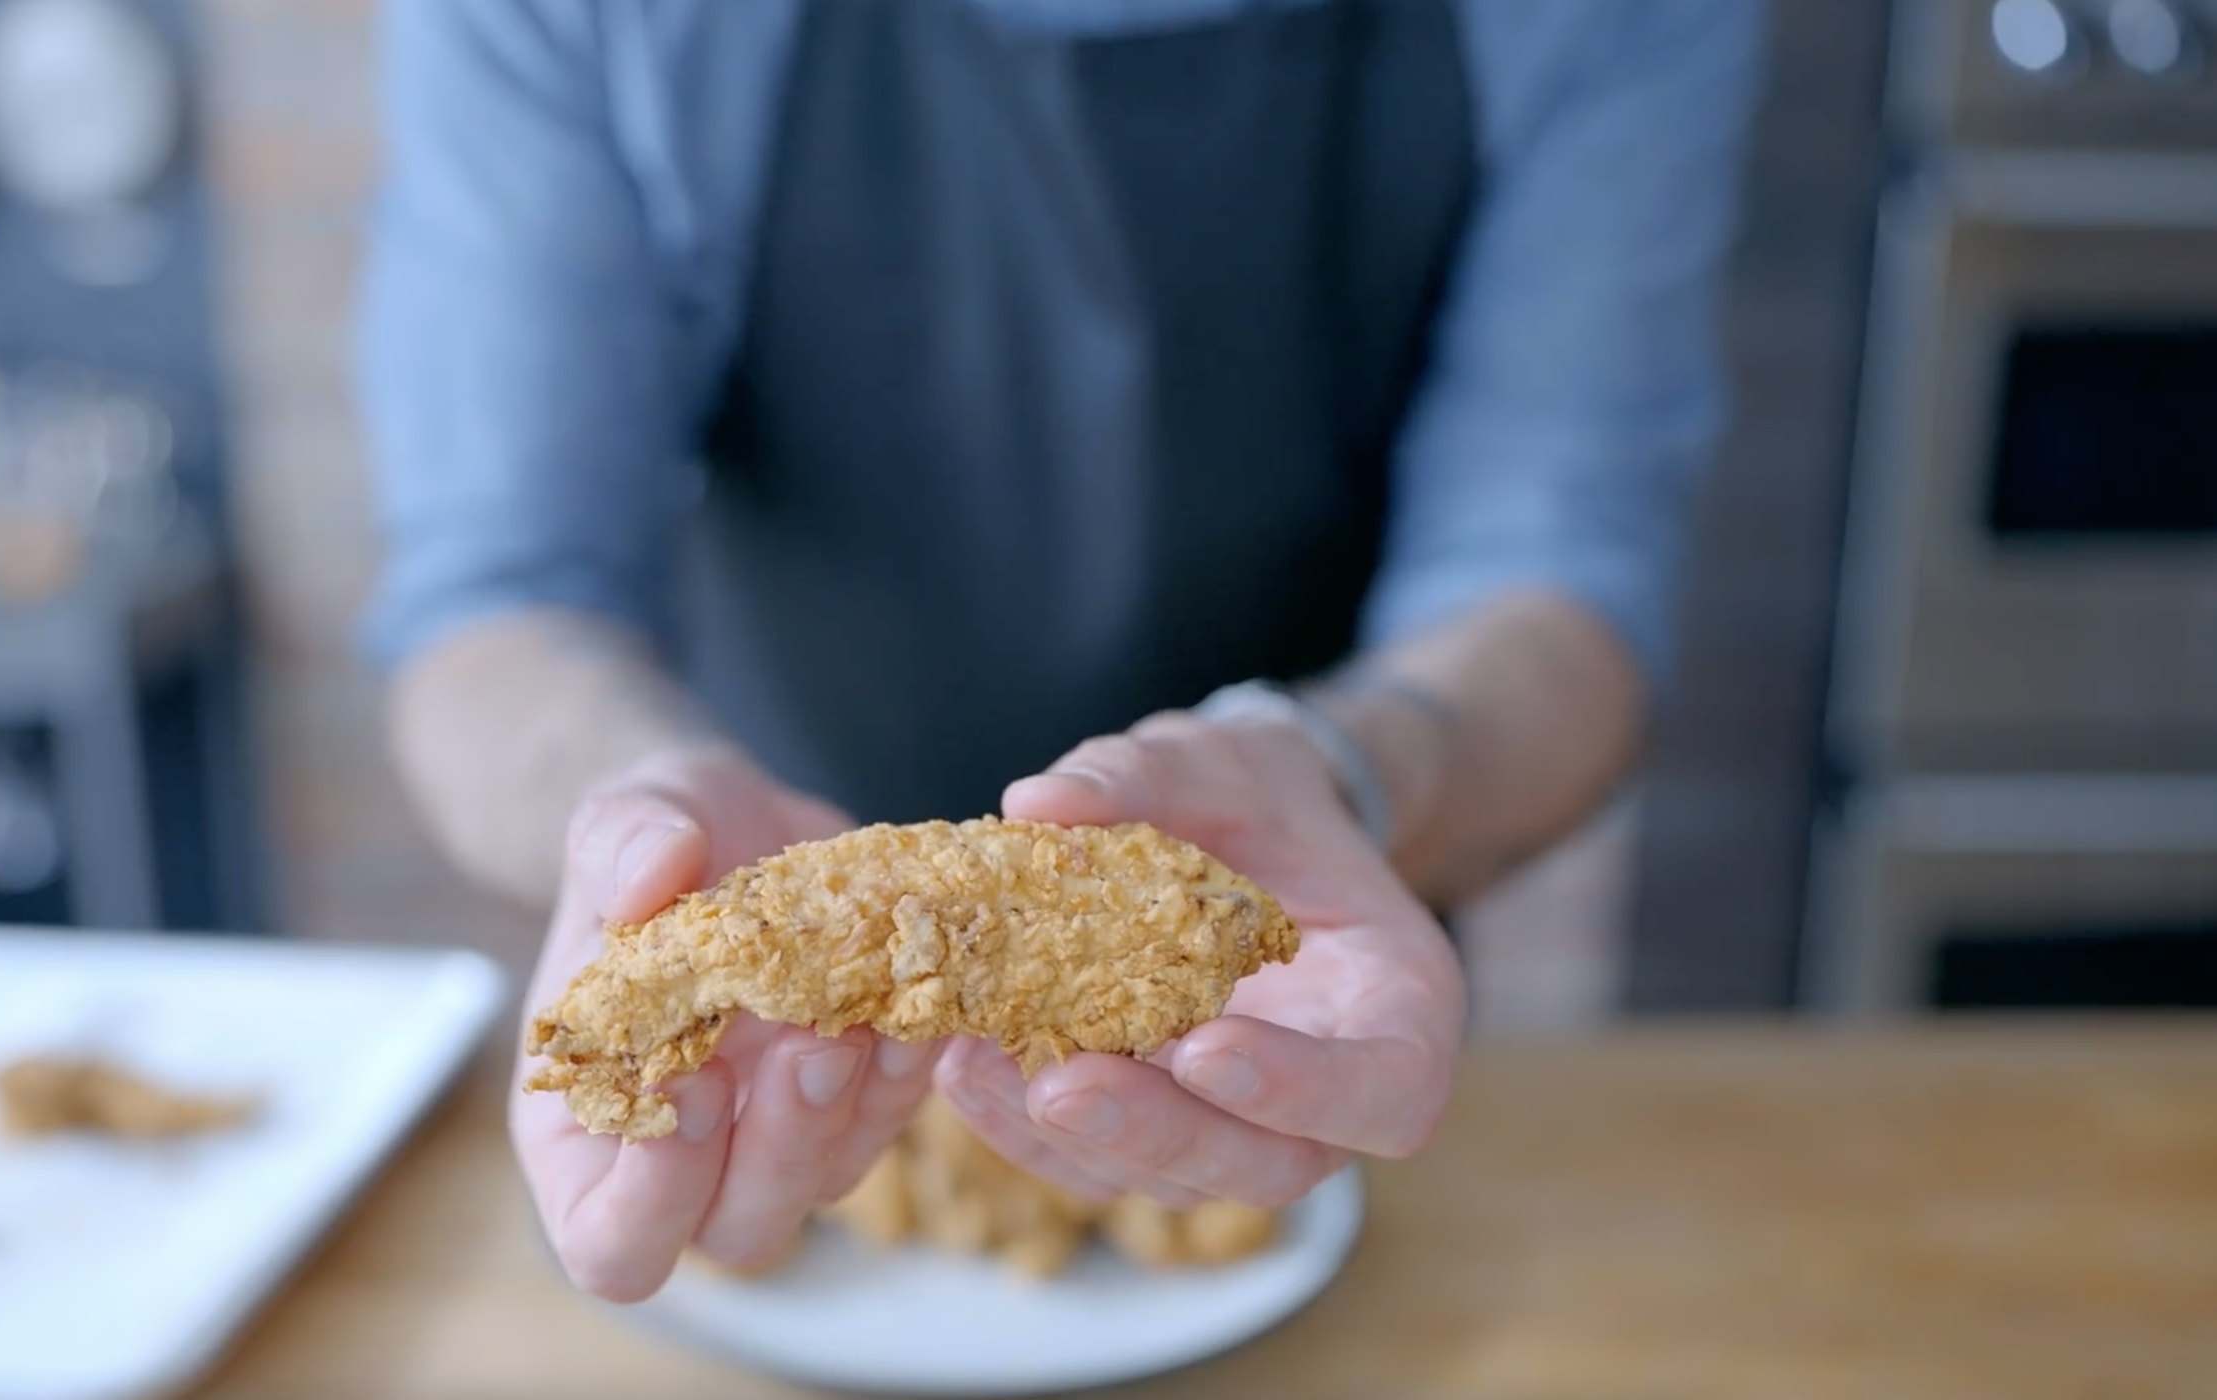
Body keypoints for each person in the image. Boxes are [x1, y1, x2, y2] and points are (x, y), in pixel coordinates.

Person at [358, 0, 1763, 1303]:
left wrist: (1352, 767)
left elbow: (1564, 575)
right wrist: (632, 819)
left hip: (1320, 999)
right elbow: (501, 590)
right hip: (764, 1031)